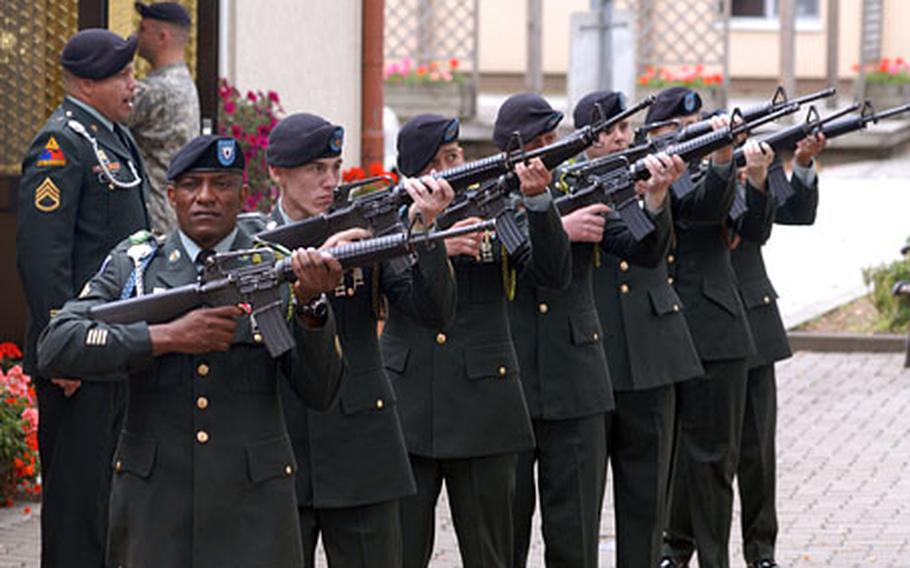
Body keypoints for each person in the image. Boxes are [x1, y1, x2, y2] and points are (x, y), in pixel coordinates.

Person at [36, 134, 346, 567]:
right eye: (191, 185)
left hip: (254, 509)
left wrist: (312, 305)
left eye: (220, 184)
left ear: (242, 194)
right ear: (171, 196)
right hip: (156, 507)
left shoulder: (277, 266)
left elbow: (321, 391)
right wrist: (167, 337)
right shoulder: (137, 266)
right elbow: (56, 345)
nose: (205, 197)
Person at [262, 112, 457, 567]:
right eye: (315, 169)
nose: (330, 181)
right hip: (281, 443)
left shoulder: (365, 230)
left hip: (362, 444)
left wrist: (426, 231)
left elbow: (432, 312)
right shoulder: (254, 239)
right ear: (277, 173)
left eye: (334, 167)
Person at [497, 93, 679, 568]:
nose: (549, 151)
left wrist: (657, 198)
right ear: (510, 151)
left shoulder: (578, 185)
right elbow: (537, 267)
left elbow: (643, 250)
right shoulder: (488, 199)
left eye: (552, 139)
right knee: (504, 537)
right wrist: (554, 221)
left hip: (576, 380)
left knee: (575, 534)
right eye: (537, 143)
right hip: (509, 383)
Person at [384, 113, 571, 568]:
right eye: (446, 159)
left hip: (484, 404)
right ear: (420, 171)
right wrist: (432, 240)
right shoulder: (388, 222)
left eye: (459, 155)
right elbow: (411, 300)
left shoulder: (490, 208)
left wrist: (539, 202)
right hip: (410, 406)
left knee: (492, 551)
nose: (459, 165)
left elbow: (551, 274)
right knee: (401, 550)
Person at [15, 28, 150, 568]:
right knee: (78, 507)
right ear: (88, 82)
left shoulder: (111, 135)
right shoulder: (60, 144)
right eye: (122, 74)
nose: (133, 84)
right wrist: (60, 348)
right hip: (79, 355)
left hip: (113, 344)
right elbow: (43, 257)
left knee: (110, 500)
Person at [570, 90, 704, 567]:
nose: (619, 138)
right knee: (580, 508)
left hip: (652, 352)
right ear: (584, 138)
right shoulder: (566, 185)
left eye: (625, 128)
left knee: (648, 501)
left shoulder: (644, 176)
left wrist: (657, 195)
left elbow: (650, 251)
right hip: (592, 356)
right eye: (608, 131)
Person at [653, 86, 771, 568]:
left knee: (714, 456)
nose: (689, 132)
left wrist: (754, 175)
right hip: (662, 328)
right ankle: (671, 547)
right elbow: (691, 204)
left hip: (715, 327)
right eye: (677, 129)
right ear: (656, 135)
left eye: (697, 123)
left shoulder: (709, 169)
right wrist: (721, 161)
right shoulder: (661, 170)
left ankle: (714, 558)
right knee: (668, 456)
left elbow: (748, 224)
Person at [733, 133, 825, 568]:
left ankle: (761, 550)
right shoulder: (673, 170)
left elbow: (795, 211)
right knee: (691, 454)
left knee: (757, 452)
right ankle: (677, 546)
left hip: (753, 322)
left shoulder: (754, 160)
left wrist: (801, 162)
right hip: (693, 325)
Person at [129, 1, 201, 234]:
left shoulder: (155, 91)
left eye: (142, 30)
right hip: (175, 213)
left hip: (155, 216)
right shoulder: (184, 83)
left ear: (162, 36)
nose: (135, 36)